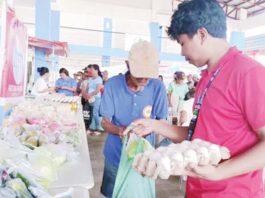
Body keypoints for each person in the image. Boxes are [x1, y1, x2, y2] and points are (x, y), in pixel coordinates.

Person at [130, 0, 265, 197]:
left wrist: (219, 172)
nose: (182, 52)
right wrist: (155, 125)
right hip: (197, 189)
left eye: (183, 43)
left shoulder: (248, 73)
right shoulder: (207, 77)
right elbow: (199, 135)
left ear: (202, 34)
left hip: (233, 192)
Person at [99, 41, 168, 197]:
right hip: (116, 154)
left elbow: (162, 123)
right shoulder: (112, 85)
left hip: (144, 157)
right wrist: (120, 131)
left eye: (148, 76)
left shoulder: (157, 87)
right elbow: (105, 122)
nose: (144, 80)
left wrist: (158, 152)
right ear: (127, 65)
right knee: (112, 193)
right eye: (140, 74)